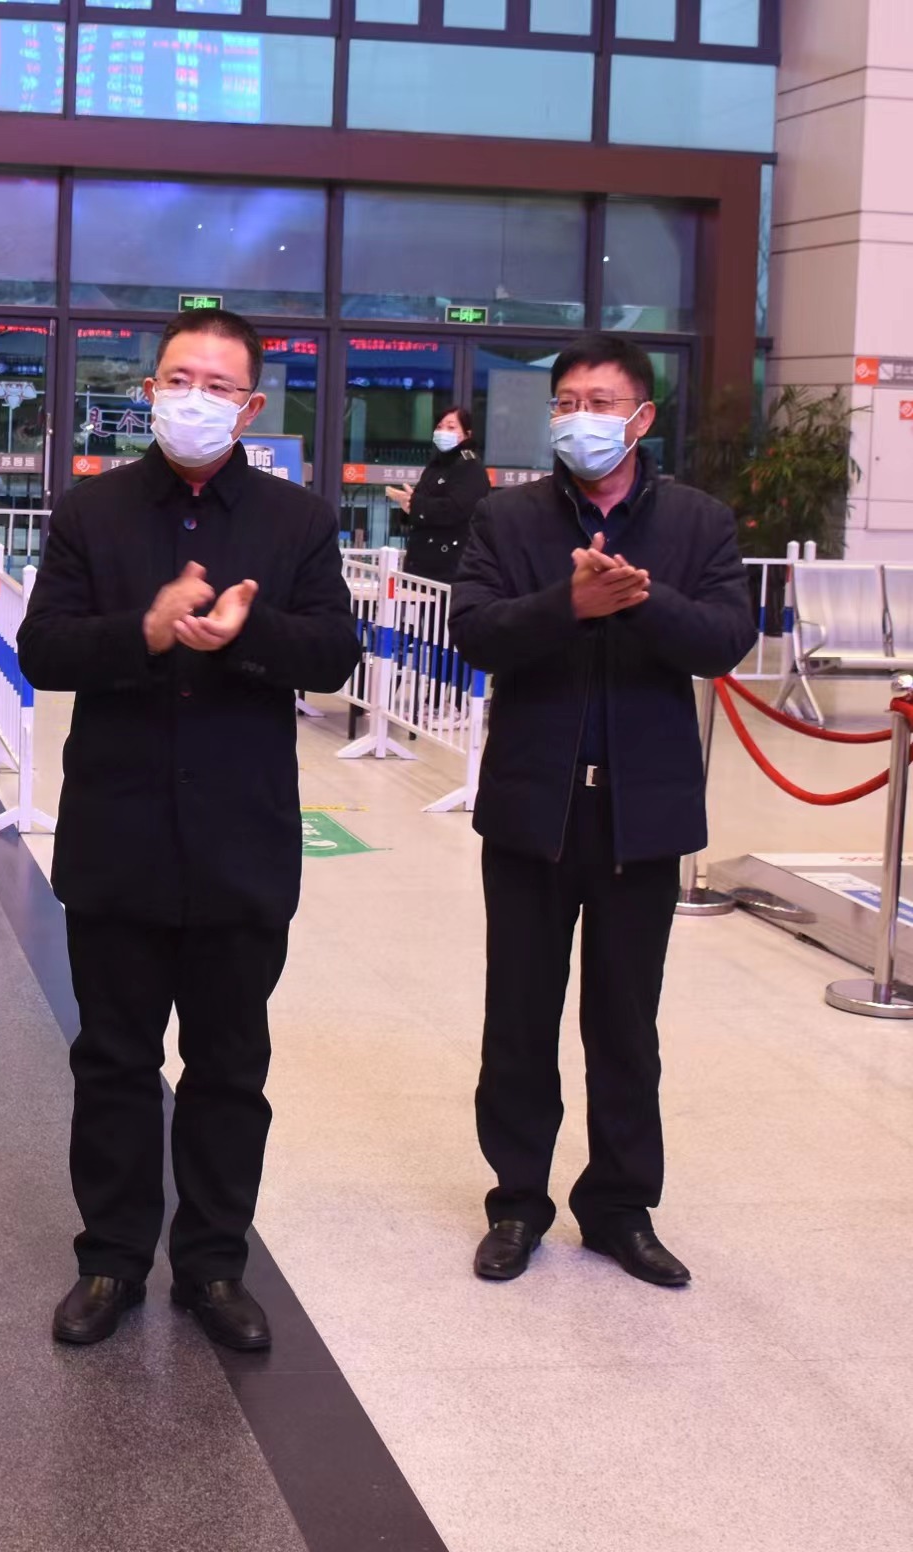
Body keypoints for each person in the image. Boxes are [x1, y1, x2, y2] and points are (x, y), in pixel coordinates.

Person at [15, 307, 360, 1356]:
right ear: (148, 390)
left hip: (240, 843)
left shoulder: (296, 520)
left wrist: (247, 633)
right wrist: (146, 630)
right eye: (177, 379)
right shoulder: (92, 510)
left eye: (216, 386)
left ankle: (212, 1263)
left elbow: (332, 654)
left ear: (249, 407)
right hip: (116, 837)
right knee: (112, 1060)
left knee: (228, 1069)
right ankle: (111, 1258)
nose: (193, 400)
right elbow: (43, 649)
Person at [450, 334, 754, 1289]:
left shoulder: (697, 523)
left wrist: (638, 602)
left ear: (641, 417)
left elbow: (725, 639)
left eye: (600, 402)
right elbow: (474, 630)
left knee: (624, 1024)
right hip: (531, 811)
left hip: (640, 817)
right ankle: (516, 1202)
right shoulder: (506, 517)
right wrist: (568, 604)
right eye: (566, 402)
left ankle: (619, 1208)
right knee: (518, 1014)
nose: (579, 418)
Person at [392, 404, 492, 584]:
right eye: (439, 427)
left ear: (467, 434)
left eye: (451, 427)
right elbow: (420, 498)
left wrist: (416, 505)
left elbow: (457, 509)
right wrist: (408, 506)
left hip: (448, 568)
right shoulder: (436, 465)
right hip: (420, 564)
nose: (443, 431)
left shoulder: (470, 465)